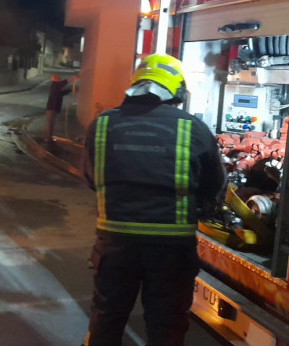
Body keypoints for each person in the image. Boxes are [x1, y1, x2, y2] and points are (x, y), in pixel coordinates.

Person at [81, 54, 226, 346]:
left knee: (107, 319)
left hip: (115, 245)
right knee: (166, 326)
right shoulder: (193, 128)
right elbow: (215, 184)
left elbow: (90, 178)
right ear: (177, 90)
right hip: (171, 251)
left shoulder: (102, 124)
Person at [44, 73, 78, 143]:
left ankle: (49, 138)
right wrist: (73, 78)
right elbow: (63, 83)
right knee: (49, 124)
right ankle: (47, 138)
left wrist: (68, 91)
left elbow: (61, 94)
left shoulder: (56, 87)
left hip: (54, 108)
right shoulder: (55, 85)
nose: (60, 79)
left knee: (51, 124)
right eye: (58, 78)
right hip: (51, 108)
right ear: (55, 79)